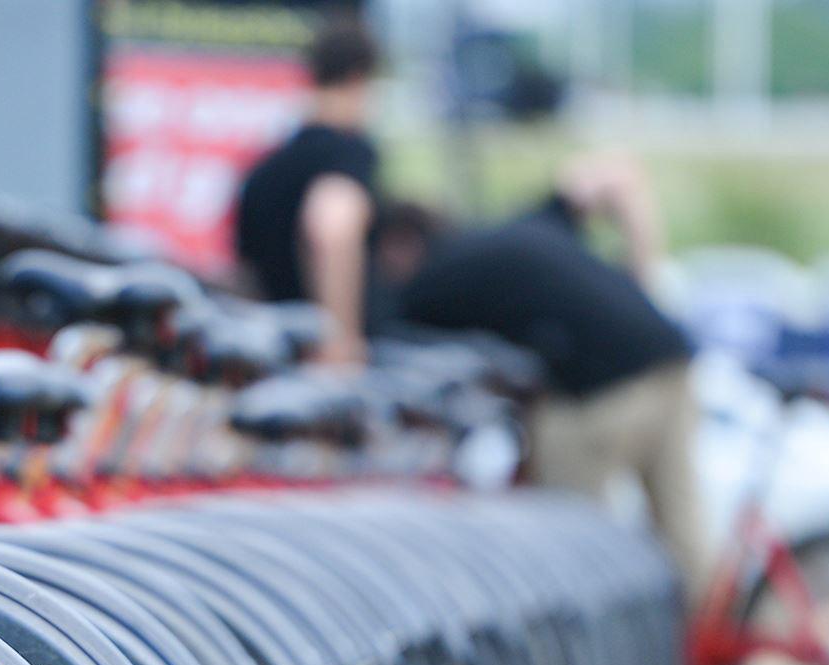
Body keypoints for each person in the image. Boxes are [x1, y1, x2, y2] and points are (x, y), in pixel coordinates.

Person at [376, 160, 707, 597]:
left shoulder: (435, 278)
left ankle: (586, 642)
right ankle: (706, 648)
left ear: (399, 245)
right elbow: (618, 175)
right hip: (671, 358)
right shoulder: (523, 227)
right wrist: (645, 273)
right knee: (683, 533)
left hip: (605, 385)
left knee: (564, 534)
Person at [233, 17, 382, 365]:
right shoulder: (345, 152)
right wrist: (339, 344)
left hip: (272, 358)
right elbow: (332, 228)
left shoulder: (266, 169)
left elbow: (246, 277)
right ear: (359, 78)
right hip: (317, 369)